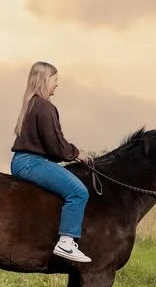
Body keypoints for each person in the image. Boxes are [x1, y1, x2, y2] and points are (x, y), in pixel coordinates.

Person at [11, 61, 95, 263]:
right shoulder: (45, 106)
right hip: (32, 162)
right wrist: (76, 153)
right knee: (78, 191)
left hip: (23, 160)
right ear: (45, 80)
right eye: (55, 79)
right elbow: (55, 144)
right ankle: (66, 242)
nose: (57, 84)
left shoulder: (32, 104)